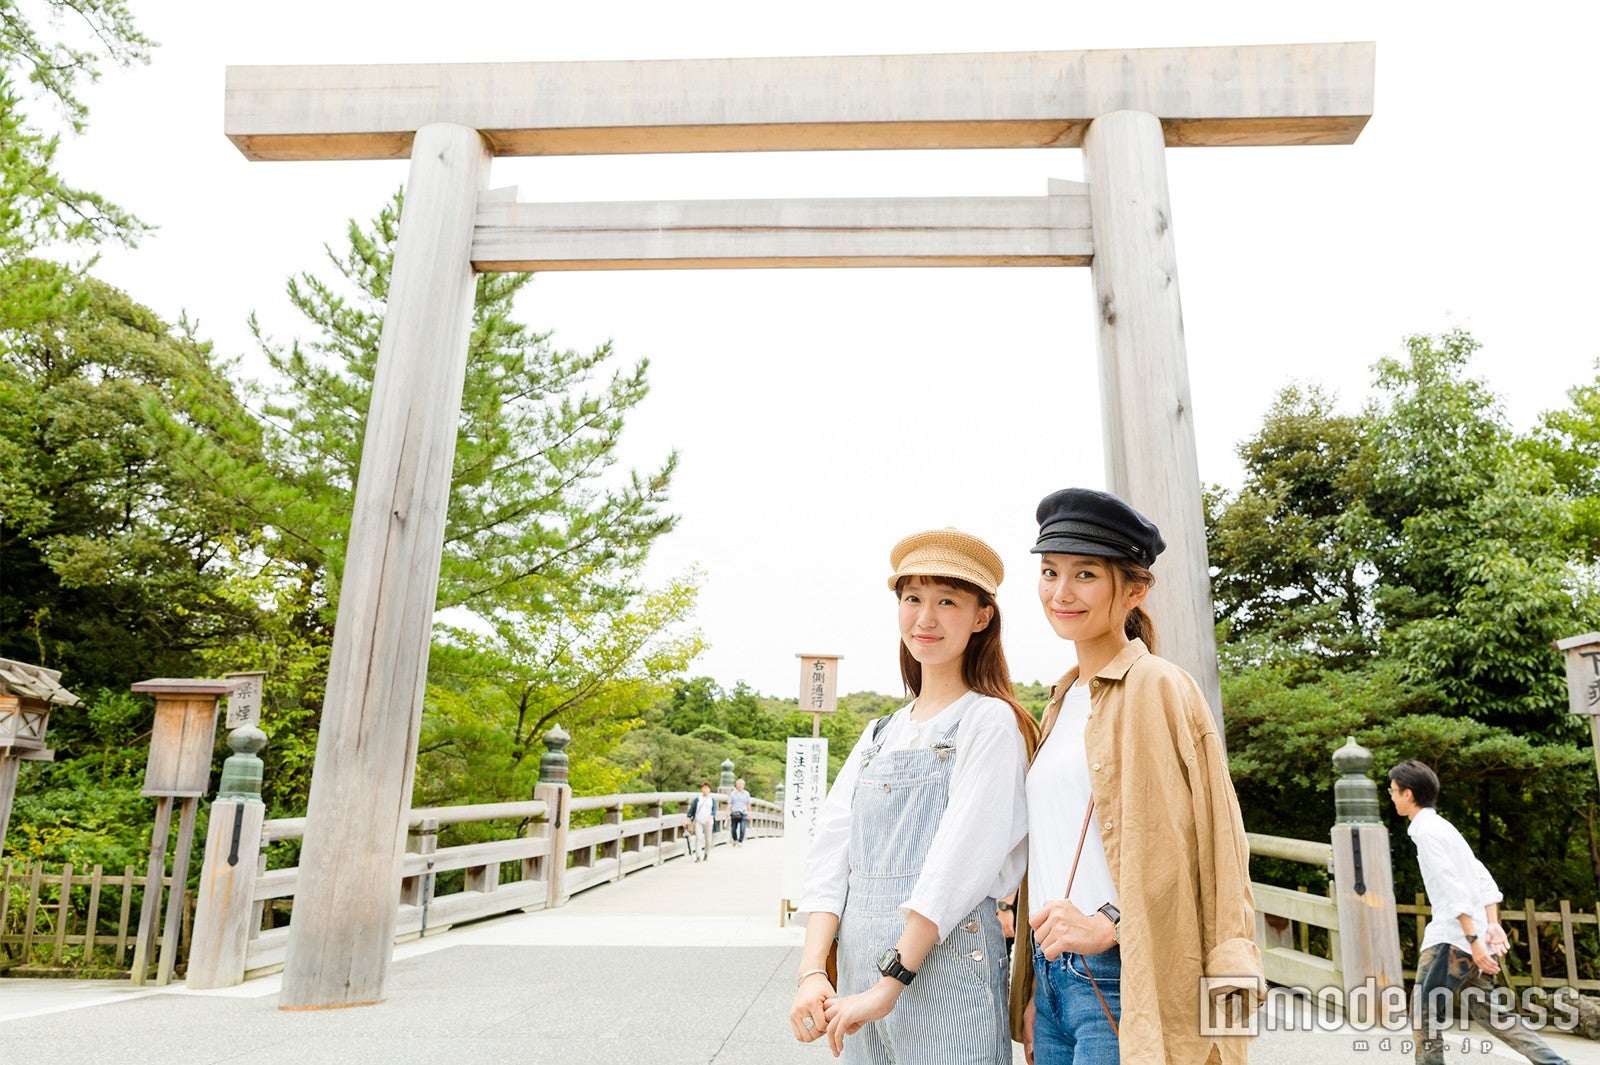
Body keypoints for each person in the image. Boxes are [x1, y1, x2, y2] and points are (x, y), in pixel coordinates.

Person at [1009, 487, 1262, 1065]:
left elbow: (1205, 837)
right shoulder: (1062, 699)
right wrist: (1032, 986)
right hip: (1053, 980)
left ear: (1135, 589)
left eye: (1085, 575)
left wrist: (1111, 921)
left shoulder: (1156, 685)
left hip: (1120, 978)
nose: (1061, 592)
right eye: (1050, 572)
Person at [789, 527, 1039, 1063]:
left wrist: (891, 981)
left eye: (947, 601)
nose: (925, 618)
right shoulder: (879, 733)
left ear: (981, 617)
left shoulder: (989, 722)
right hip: (861, 975)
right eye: (913, 599)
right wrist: (812, 971)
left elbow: (958, 865)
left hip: (947, 973)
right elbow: (832, 853)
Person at [1387, 760, 1570, 1065]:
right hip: (1468, 934)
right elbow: (1482, 877)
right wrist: (1492, 925)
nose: (1391, 797)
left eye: (1393, 791)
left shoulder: (1427, 832)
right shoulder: (1442, 827)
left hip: (1453, 937)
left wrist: (1473, 941)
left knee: (1425, 1010)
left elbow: (1453, 889)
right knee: (1491, 1013)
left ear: (1408, 794)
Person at [686, 781, 716, 862]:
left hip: (708, 822)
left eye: (707, 788)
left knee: (708, 839)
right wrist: (688, 820)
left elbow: (714, 811)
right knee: (698, 838)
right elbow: (692, 810)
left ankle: (706, 853)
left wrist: (711, 817)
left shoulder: (712, 800)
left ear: (710, 789)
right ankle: (698, 856)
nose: (705, 790)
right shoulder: (698, 799)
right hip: (698, 820)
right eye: (704, 788)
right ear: (701, 789)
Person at [729, 777, 751, 846]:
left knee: (742, 828)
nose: (740, 785)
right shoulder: (732, 793)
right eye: (738, 784)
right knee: (733, 829)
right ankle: (735, 839)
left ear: (744, 785)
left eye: (741, 784)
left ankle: (740, 841)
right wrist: (727, 811)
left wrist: (749, 814)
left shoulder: (747, 794)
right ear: (736, 785)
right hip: (734, 813)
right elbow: (730, 803)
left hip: (743, 813)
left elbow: (748, 804)